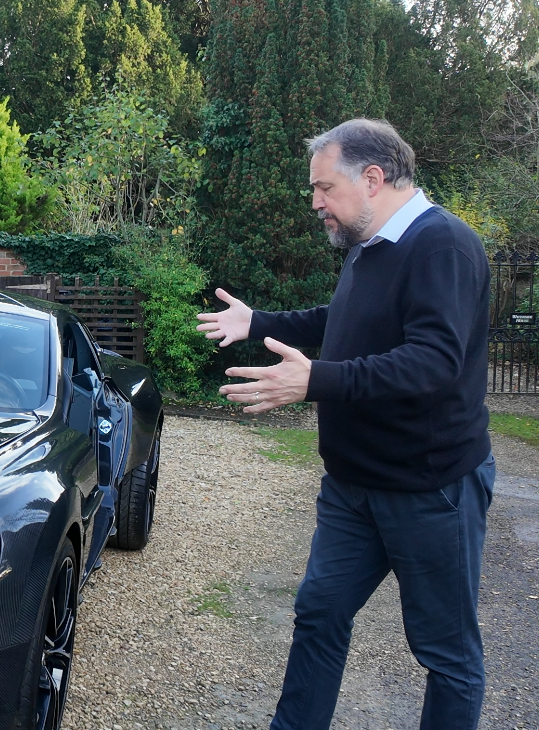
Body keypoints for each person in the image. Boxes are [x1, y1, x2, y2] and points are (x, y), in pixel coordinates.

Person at [195, 118, 494, 730]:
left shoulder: (445, 246)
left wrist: (317, 381)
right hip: (353, 488)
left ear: (373, 178)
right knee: (320, 612)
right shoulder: (371, 248)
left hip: (429, 489)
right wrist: (259, 322)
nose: (315, 203)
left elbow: (434, 361)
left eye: (325, 188)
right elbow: (342, 320)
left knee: (446, 654)